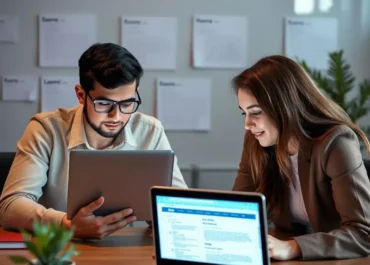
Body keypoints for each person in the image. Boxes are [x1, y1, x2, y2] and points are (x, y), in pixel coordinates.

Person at [0, 43, 187, 239]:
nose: (116, 116)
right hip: (58, 249)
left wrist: (160, 215)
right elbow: (10, 206)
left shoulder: (150, 131)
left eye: (127, 103)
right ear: (81, 95)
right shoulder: (46, 129)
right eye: (104, 103)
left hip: (124, 249)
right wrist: (67, 225)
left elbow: (180, 206)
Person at [232, 55, 370, 261]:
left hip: (338, 259)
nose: (248, 124)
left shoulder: (335, 142)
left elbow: (363, 234)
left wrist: (293, 247)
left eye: (256, 112)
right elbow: (239, 209)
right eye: (244, 113)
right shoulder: (257, 142)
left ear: (284, 106)